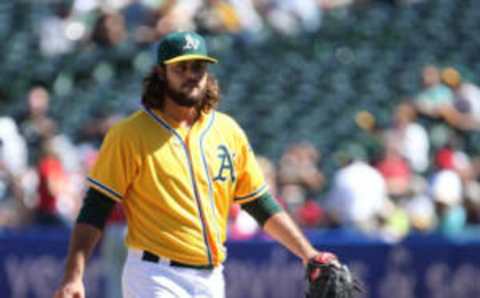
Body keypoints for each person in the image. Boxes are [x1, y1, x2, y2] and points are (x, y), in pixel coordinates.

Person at [53, 31, 338, 298]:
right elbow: (96, 206)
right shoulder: (129, 134)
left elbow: (259, 202)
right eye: (181, 68)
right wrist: (73, 275)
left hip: (211, 278)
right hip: (154, 274)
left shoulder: (227, 131)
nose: (191, 76)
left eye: (198, 68)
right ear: (161, 73)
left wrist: (308, 253)